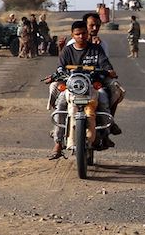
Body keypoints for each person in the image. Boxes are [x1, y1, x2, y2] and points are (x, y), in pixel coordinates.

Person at [49, 20, 116, 160]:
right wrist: (59, 74)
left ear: (87, 33)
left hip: (92, 86)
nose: (81, 36)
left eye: (83, 33)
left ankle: (104, 134)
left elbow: (105, 64)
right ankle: (58, 142)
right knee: (61, 104)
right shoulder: (67, 50)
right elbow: (60, 67)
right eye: (77, 34)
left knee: (103, 99)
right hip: (72, 87)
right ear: (72, 35)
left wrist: (108, 71)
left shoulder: (96, 49)